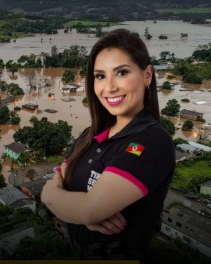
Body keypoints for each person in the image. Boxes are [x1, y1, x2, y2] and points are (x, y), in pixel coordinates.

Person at [41, 29, 175, 261]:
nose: (109, 87)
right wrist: (53, 195)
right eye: (100, 76)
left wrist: (66, 201)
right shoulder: (90, 135)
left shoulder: (152, 142)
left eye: (121, 72)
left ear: (147, 75)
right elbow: (58, 182)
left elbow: (87, 209)